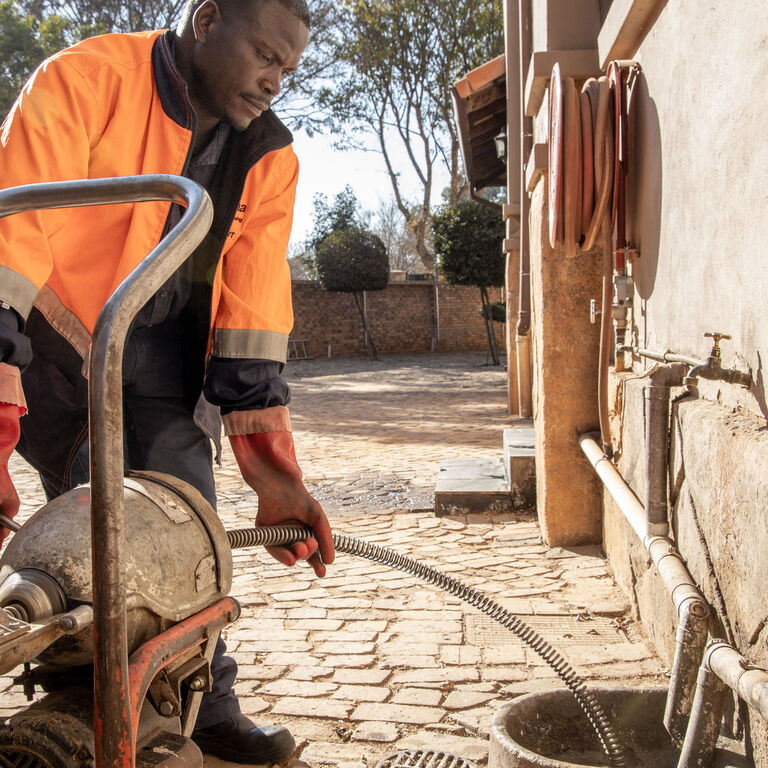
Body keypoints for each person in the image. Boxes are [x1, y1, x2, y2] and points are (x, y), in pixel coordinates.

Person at [0, 0, 335, 763]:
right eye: (265, 56)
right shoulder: (82, 82)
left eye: (287, 69)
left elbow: (253, 307)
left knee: (186, 517)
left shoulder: (269, 155)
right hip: (60, 346)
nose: (274, 81)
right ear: (209, 19)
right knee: (98, 525)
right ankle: (91, 709)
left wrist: (276, 479)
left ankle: (203, 706)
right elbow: (10, 237)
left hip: (164, 356)